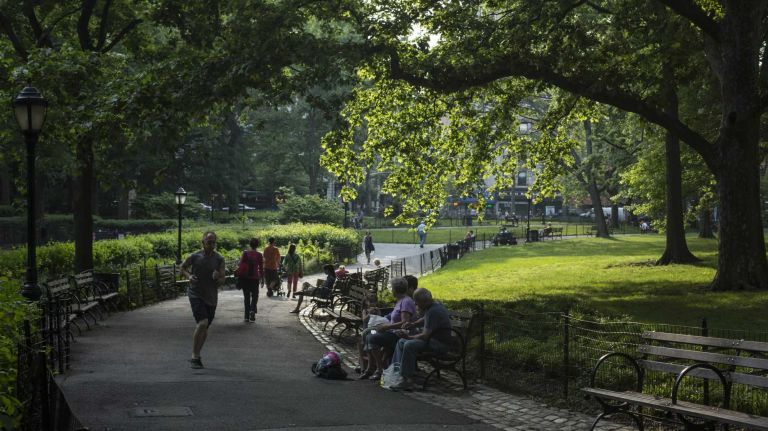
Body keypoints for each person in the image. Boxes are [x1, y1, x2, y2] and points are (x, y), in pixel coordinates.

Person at [389, 288, 452, 390]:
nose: (416, 304)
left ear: (424, 301)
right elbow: (425, 319)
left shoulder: (434, 311)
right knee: (401, 342)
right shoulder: (432, 306)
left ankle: (407, 380)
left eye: (417, 302)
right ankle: (397, 372)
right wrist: (413, 324)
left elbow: (425, 335)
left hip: (440, 344)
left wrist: (409, 337)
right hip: (432, 340)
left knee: (409, 344)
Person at [180, 231, 225, 369]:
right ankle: (194, 355)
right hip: (195, 294)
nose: (211, 245)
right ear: (203, 243)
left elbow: (223, 280)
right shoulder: (194, 256)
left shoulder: (219, 259)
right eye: (208, 242)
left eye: (213, 242)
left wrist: (218, 277)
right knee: (202, 323)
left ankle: (197, 355)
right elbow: (182, 267)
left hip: (211, 297)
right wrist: (189, 276)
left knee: (205, 327)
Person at [359, 278, 417, 380]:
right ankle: (370, 366)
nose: (391, 291)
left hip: (398, 334)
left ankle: (379, 369)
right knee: (367, 332)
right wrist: (380, 321)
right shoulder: (400, 301)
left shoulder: (406, 302)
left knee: (372, 337)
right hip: (390, 331)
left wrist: (386, 326)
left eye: (392, 289)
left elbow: (405, 323)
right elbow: (391, 316)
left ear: (395, 290)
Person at [237, 238, 264, 322]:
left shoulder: (245, 253)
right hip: (255, 278)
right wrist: (262, 278)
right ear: (257, 245)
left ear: (250, 244)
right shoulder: (259, 254)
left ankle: (246, 317)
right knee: (255, 296)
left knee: (247, 297)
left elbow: (240, 265)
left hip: (245, 278)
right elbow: (261, 268)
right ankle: (252, 310)